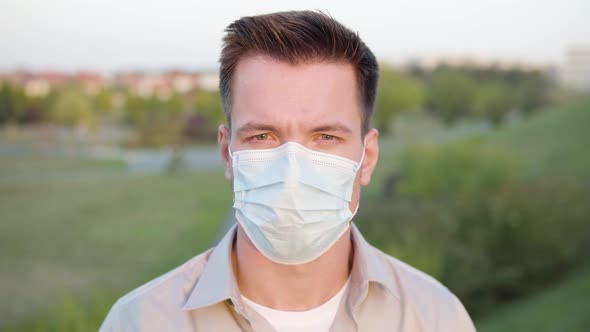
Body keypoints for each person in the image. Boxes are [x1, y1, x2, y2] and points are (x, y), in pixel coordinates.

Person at [100, 10, 476, 332]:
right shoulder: (139, 322)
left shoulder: (436, 318)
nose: (292, 168)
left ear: (368, 156)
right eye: (263, 136)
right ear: (227, 153)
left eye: (326, 136)